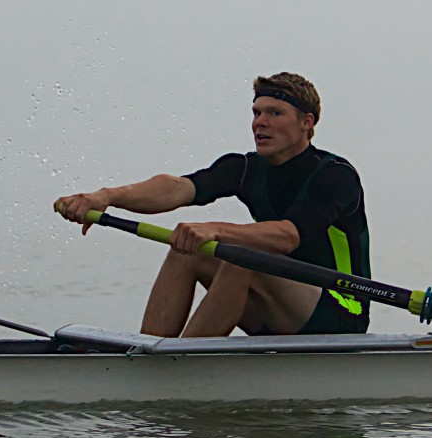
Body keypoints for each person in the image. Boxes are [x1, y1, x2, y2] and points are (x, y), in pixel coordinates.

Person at [55, 72, 369, 338]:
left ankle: (182, 368)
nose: (260, 123)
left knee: (241, 256)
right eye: (256, 112)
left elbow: (288, 236)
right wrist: (104, 197)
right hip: (280, 305)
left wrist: (216, 230)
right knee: (186, 251)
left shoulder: (335, 176)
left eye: (274, 113)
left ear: (307, 122)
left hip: (341, 308)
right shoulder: (244, 168)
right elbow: (177, 188)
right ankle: (146, 356)